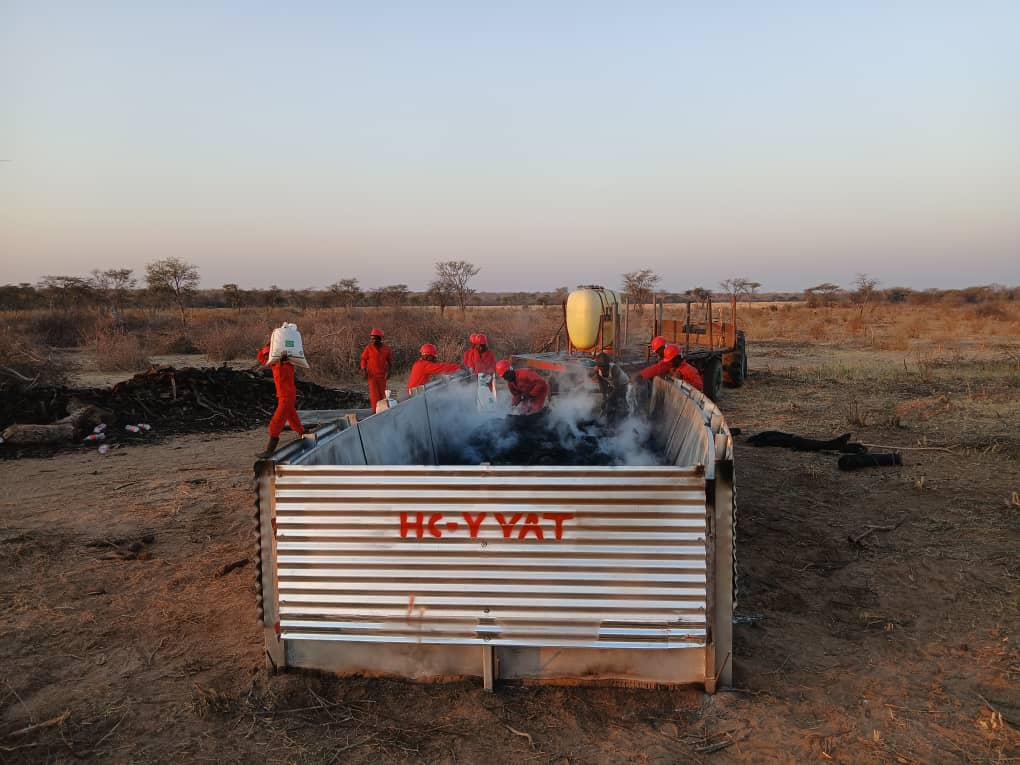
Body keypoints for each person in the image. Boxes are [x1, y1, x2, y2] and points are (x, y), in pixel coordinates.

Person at [257, 342, 305, 456]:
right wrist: (262, 350)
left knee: (276, 422)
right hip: (285, 396)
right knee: (293, 420)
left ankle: (270, 450)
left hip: (286, 397)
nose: (266, 358)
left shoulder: (285, 365)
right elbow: (262, 360)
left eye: (268, 355)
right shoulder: (277, 364)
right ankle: (305, 435)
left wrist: (281, 360)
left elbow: (278, 369)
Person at [360, 328, 392, 412]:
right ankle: (375, 412)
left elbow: (390, 361)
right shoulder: (368, 348)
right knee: (374, 395)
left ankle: (381, 411)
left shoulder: (387, 349)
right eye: (371, 339)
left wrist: (389, 372)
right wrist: (364, 370)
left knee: (382, 394)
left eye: (375, 339)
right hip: (372, 375)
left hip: (382, 376)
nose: (373, 340)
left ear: (380, 338)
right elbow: (363, 359)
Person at [591, 352, 629, 422]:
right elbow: (601, 384)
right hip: (612, 383)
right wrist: (604, 397)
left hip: (623, 383)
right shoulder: (597, 369)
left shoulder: (614, 368)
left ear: (608, 364)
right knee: (610, 401)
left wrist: (606, 400)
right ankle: (610, 419)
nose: (602, 368)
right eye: (600, 366)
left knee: (620, 398)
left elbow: (616, 388)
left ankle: (625, 416)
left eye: (604, 366)